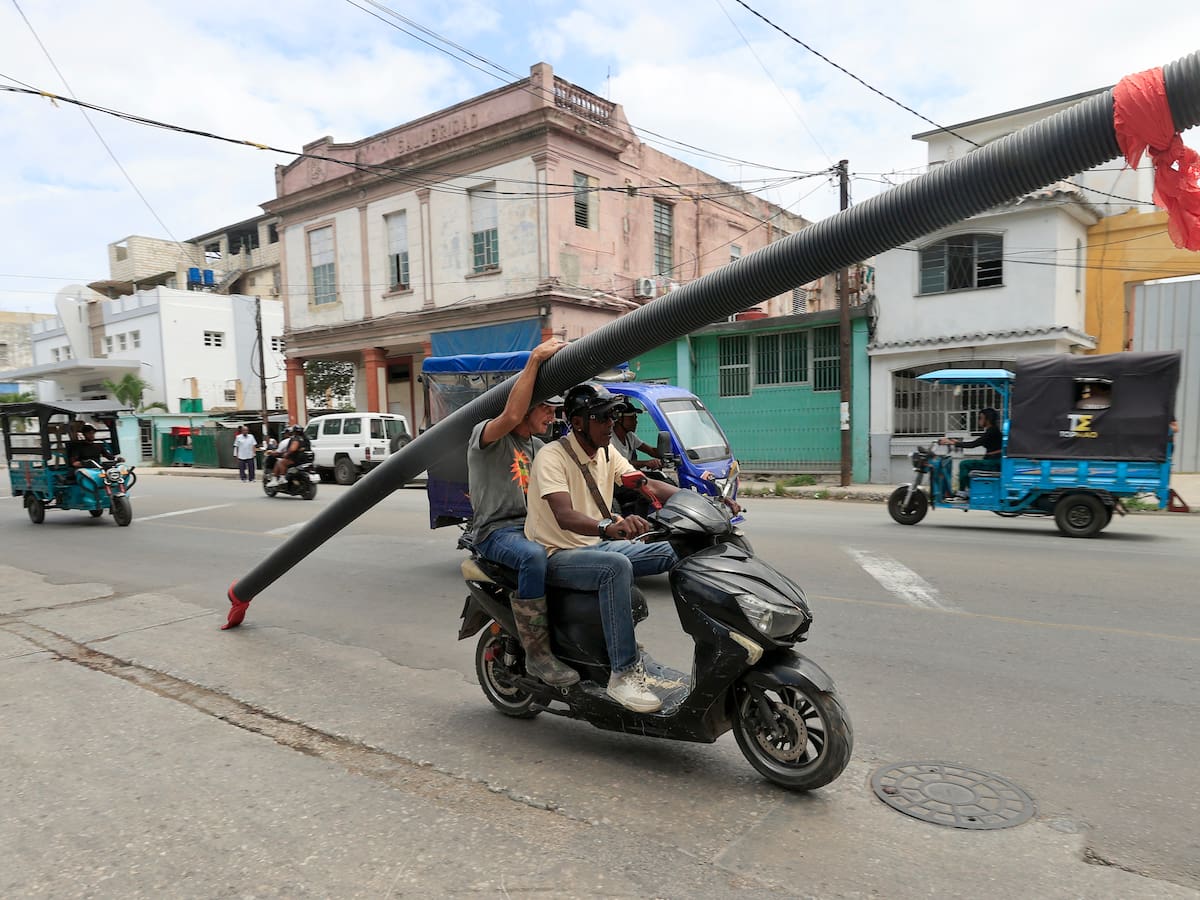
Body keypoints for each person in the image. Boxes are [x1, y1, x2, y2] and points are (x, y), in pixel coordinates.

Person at [525, 382, 681, 713]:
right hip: (558, 555)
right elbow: (564, 516)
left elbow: (645, 483)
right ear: (578, 422)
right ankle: (623, 674)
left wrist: (701, 503)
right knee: (617, 568)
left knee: (675, 549)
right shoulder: (551, 456)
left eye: (613, 416)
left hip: (595, 548)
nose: (611, 424)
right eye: (603, 417)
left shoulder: (607, 453)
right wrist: (608, 527)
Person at [467, 338, 578, 687]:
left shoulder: (540, 447)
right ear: (526, 406)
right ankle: (538, 655)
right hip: (495, 532)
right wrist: (534, 361)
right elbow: (511, 416)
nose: (552, 414)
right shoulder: (488, 437)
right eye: (546, 407)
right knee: (533, 558)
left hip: (530, 527)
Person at [939, 407, 1003, 496]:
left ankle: (963, 491)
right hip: (992, 460)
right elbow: (975, 442)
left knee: (964, 464)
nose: (979, 421)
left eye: (980, 418)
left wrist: (953, 443)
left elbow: (973, 444)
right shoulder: (992, 431)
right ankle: (969, 490)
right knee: (969, 466)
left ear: (988, 419)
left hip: (994, 463)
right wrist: (955, 442)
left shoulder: (992, 432)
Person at [610, 400, 663, 471]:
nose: (636, 421)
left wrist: (665, 454)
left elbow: (651, 451)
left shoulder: (630, 436)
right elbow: (618, 463)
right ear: (619, 419)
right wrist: (645, 463)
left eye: (636, 418)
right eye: (632, 418)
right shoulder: (610, 439)